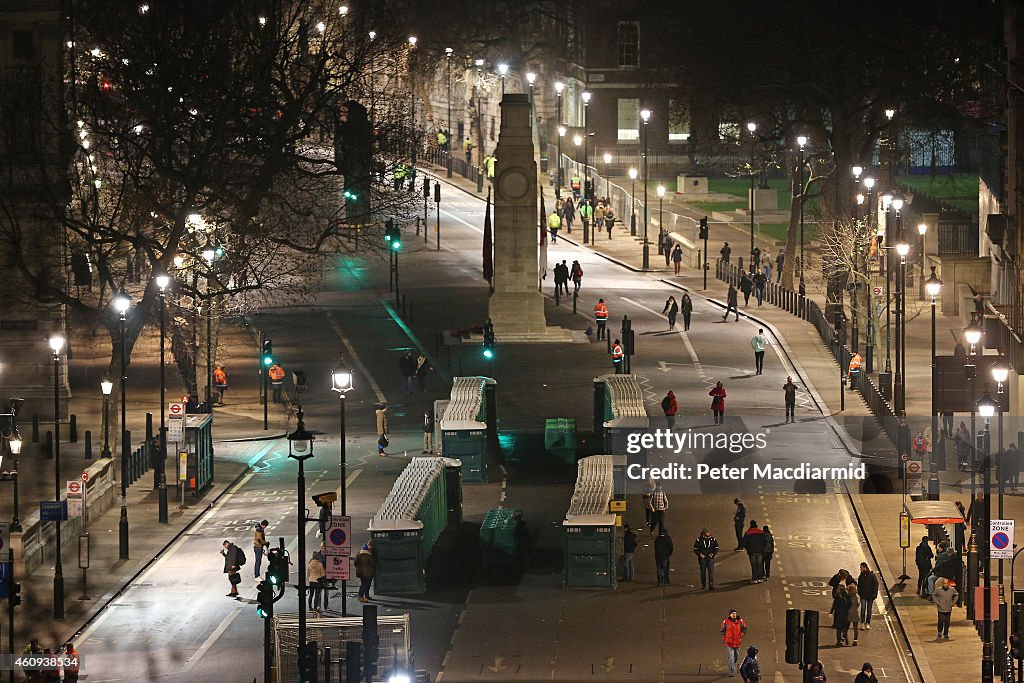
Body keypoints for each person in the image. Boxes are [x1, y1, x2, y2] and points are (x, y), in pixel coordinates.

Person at [720, 609, 748, 677]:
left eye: (735, 613)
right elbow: (722, 631)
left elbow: (744, 629)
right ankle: (732, 671)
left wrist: (741, 635)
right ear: (729, 615)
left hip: (737, 642)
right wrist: (724, 638)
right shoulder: (725, 622)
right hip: (729, 643)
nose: (734, 614)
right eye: (732, 613)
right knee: (731, 657)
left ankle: (733, 664)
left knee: (736, 656)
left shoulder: (740, 621)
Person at [857, 562, 879, 629]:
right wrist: (860, 594)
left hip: (870, 596)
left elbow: (876, 585)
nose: (860, 569)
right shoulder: (860, 576)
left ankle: (868, 623)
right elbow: (859, 586)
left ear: (865, 567)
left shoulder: (872, 576)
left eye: (861, 568)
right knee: (863, 609)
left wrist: (874, 594)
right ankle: (862, 622)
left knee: (869, 610)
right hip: (863, 596)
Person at [829, 579, 851, 645]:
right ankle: (846, 640)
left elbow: (834, 605)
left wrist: (831, 612)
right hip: (846, 614)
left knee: (838, 629)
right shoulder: (847, 595)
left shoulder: (838, 596)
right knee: (844, 628)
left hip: (838, 615)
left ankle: (839, 641)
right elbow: (850, 604)